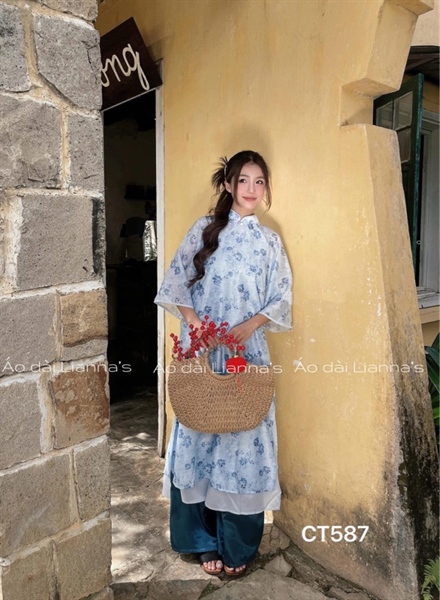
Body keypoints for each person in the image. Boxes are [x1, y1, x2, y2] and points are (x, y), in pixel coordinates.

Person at [154, 150, 292, 577]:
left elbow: (281, 297)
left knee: (243, 438)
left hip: (245, 352)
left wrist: (249, 326)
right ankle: (200, 540)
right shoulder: (203, 230)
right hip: (202, 348)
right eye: (243, 180)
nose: (251, 189)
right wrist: (198, 326)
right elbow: (175, 283)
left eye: (259, 181)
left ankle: (237, 544)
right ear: (229, 185)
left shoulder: (269, 242)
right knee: (199, 431)